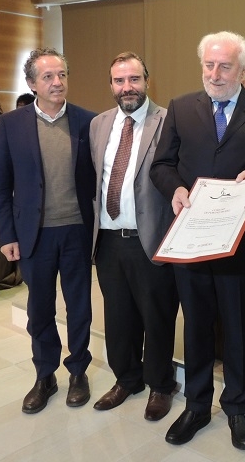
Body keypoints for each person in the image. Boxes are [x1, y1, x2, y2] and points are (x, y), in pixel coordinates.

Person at [150, 31, 245, 450]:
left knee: (239, 328)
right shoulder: (180, 107)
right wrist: (174, 188)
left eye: (224, 66)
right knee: (196, 326)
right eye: (209, 65)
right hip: (191, 242)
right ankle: (195, 404)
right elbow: (162, 164)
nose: (215, 73)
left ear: (243, 70)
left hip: (240, 244)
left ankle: (237, 407)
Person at [0, 47, 96, 414]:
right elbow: (0, 185)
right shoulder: (13, 124)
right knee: (40, 309)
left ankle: (79, 371)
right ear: (32, 83)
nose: (57, 82)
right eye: (48, 76)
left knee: (80, 306)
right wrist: (6, 235)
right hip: (33, 234)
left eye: (62, 74)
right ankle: (45, 375)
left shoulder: (87, 121)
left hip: (77, 231)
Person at [89, 52, 179, 421]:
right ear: (111, 85)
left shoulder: (169, 121)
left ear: (147, 80)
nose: (127, 87)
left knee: (157, 316)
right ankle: (127, 378)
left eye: (134, 79)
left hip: (151, 239)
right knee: (118, 315)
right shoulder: (98, 124)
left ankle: (160, 384)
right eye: (119, 81)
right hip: (108, 239)